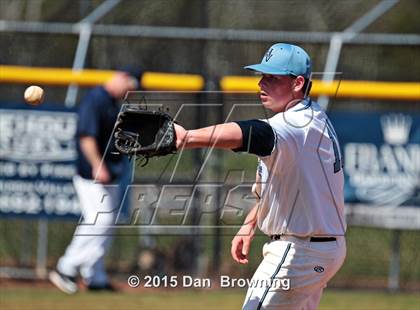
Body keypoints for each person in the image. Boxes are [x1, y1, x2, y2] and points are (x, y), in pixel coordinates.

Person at [174, 43, 346, 309]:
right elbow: (281, 184)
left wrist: (188, 137)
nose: (262, 84)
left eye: (272, 78)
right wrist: (250, 223)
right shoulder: (310, 117)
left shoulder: (296, 125)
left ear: (298, 83)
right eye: (262, 76)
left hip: (300, 251)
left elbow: (254, 133)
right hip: (317, 248)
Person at [49, 68, 142, 294]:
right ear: (120, 78)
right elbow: (85, 135)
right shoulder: (96, 99)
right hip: (92, 174)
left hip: (109, 172)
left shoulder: (112, 102)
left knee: (106, 224)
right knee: (98, 221)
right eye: (130, 86)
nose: (130, 91)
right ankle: (66, 267)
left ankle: (95, 276)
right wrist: (97, 164)